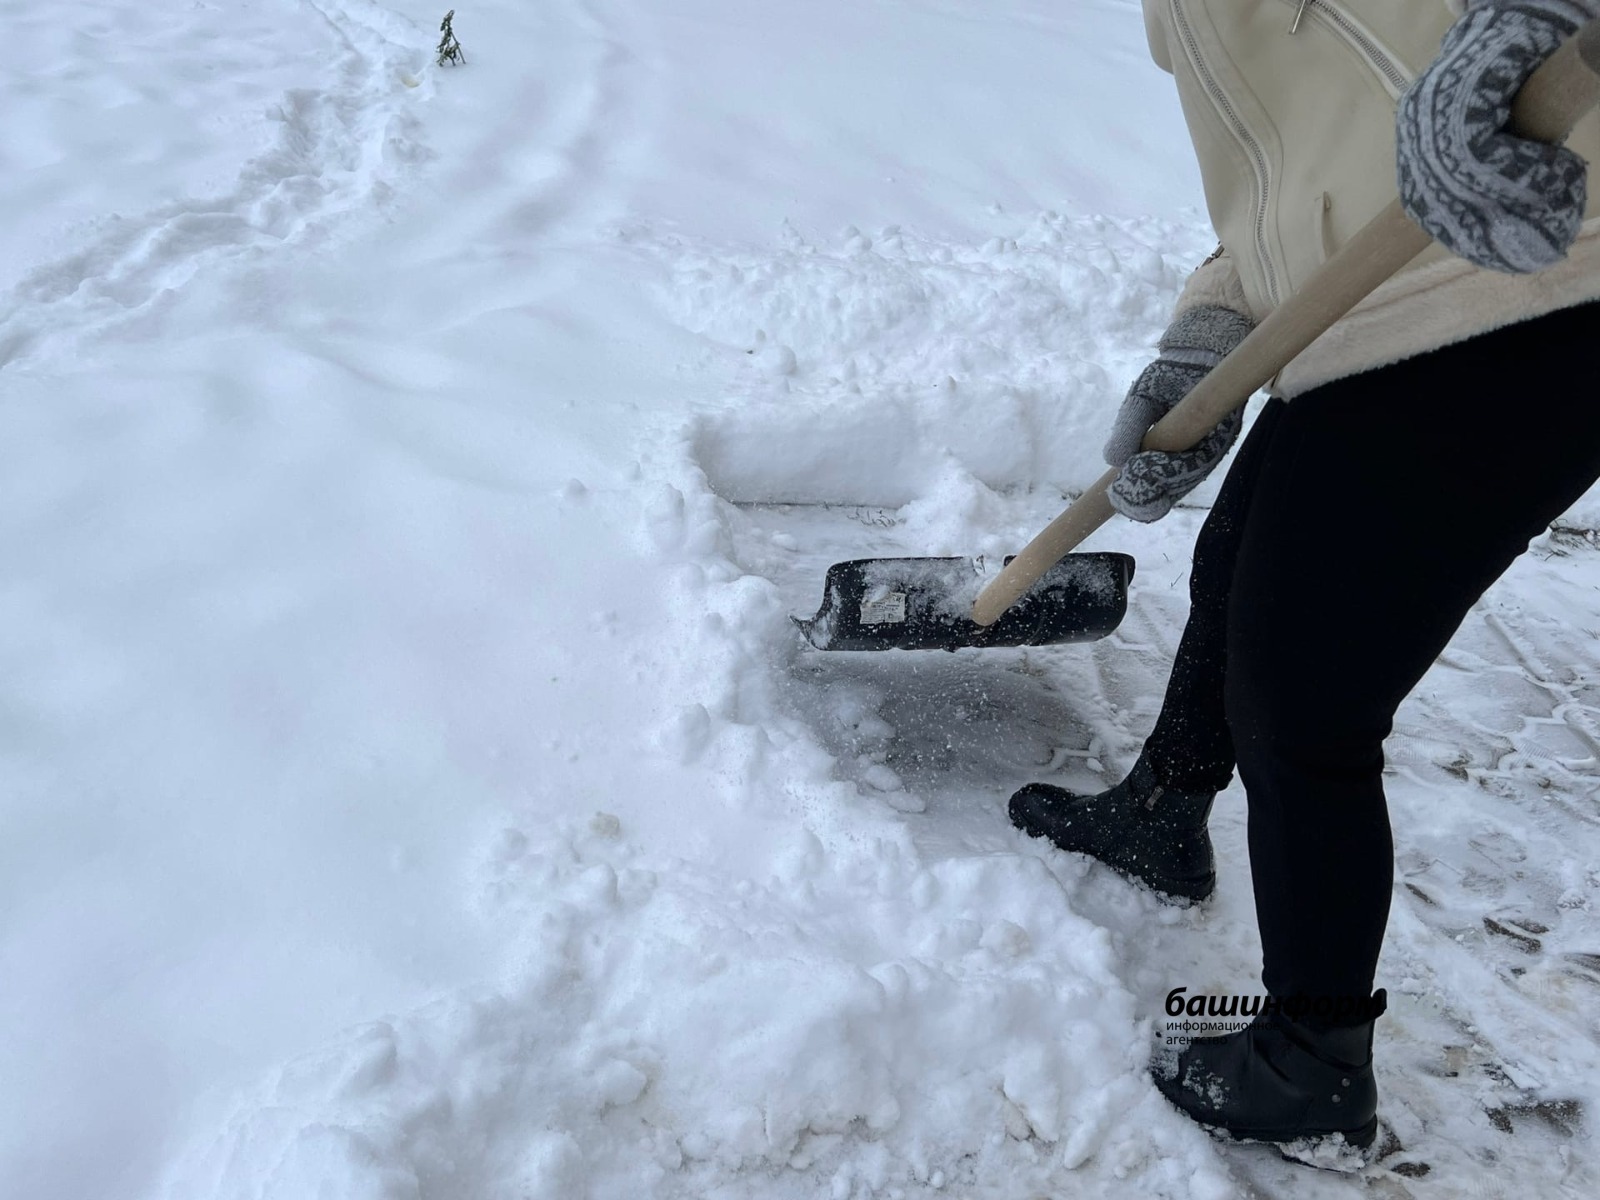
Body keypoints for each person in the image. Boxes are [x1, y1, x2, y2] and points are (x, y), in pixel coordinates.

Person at [1009, 0, 1600, 1151]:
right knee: (1237, 557)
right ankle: (1162, 810)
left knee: (1303, 696)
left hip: (1530, 280)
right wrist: (1209, 332)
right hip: (1358, 315)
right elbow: (1282, 192)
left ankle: (1313, 1057)